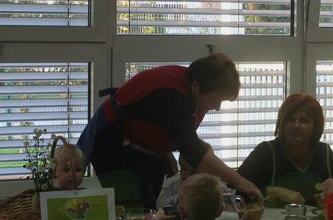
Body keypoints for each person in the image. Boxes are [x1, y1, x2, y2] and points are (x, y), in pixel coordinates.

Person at [77, 53, 261, 206]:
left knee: (149, 204)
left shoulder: (193, 88)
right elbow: (194, 152)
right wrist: (239, 181)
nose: (217, 107)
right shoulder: (174, 97)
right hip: (112, 139)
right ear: (196, 87)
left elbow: (163, 121)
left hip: (139, 140)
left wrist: (165, 150)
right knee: (131, 205)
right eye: (215, 100)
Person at [238, 93, 333, 205]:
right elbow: (236, 191)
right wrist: (275, 191)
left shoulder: (324, 153)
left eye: (303, 121)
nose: (296, 125)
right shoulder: (266, 152)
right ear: (282, 124)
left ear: (316, 126)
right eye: (290, 120)